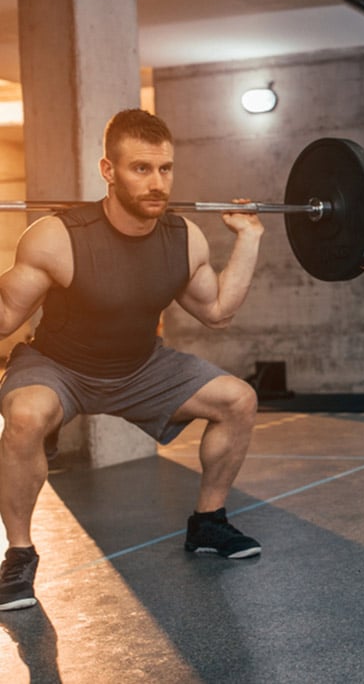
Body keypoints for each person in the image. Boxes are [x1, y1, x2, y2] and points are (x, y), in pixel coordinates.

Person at [0, 109, 265, 612]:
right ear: (108, 171)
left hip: (142, 368)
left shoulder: (183, 237)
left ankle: (208, 523)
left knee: (238, 400)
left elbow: (217, 312)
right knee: (26, 416)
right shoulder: (58, 236)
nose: (157, 182)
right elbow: (6, 317)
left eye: (165, 169)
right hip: (58, 366)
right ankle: (18, 554)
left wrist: (248, 239)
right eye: (140, 169)